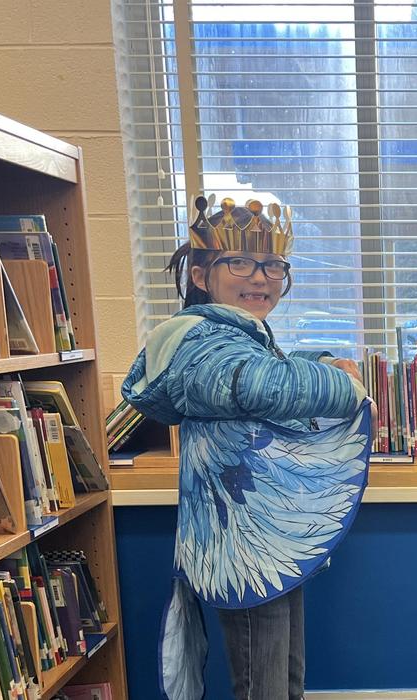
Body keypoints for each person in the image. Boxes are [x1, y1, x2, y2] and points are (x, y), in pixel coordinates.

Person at [122, 196, 372, 700]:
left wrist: (318, 357)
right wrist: (342, 384)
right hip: (241, 544)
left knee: (286, 678)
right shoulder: (196, 340)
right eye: (240, 263)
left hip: (263, 535)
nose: (260, 278)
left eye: (273, 265)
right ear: (200, 275)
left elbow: (263, 364)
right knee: (263, 686)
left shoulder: (234, 334)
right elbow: (252, 382)